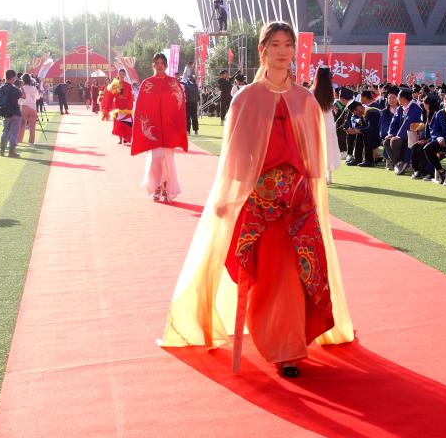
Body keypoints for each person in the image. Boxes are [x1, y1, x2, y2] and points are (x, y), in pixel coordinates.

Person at [159, 21, 353, 378]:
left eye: (288, 44)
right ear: (262, 49)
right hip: (261, 204)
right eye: (275, 44)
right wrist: (228, 199)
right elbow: (235, 157)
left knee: (300, 273)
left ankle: (290, 347)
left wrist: (311, 196)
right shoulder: (245, 99)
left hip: (298, 202)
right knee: (273, 274)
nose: (282, 51)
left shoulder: (305, 100)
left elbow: (313, 159)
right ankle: (283, 346)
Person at [131, 53, 187, 201]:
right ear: (153, 65)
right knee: (156, 158)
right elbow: (141, 107)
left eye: (162, 63)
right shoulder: (147, 83)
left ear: (166, 65)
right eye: (157, 63)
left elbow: (179, 106)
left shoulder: (173, 83)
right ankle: (157, 186)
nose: (160, 65)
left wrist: (177, 126)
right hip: (153, 129)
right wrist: (144, 127)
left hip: (169, 129)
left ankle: (166, 187)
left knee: (167, 160)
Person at [311, 67, 341, 182]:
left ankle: (321, 175)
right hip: (328, 123)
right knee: (329, 148)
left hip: (316, 123)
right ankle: (329, 176)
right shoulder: (330, 91)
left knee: (317, 149)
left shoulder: (312, 91)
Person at [102, 68, 135, 145]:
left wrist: (129, 106)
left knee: (127, 123)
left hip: (126, 107)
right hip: (118, 106)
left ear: (125, 75)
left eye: (123, 74)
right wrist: (107, 107)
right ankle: (120, 139)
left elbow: (130, 97)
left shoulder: (128, 85)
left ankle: (125, 138)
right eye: (120, 74)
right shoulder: (115, 85)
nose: (121, 75)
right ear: (118, 75)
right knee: (119, 123)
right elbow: (110, 97)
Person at [0, 69, 23, 158]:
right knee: (14, 133)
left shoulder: (1, 88)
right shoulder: (15, 89)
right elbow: (23, 96)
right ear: (13, 78)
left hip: (5, 112)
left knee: (5, 132)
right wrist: (21, 86)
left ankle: (2, 150)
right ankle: (12, 151)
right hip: (15, 112)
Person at [18, 73, 40, 145]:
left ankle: (19, 140)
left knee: (22, 126)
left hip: (24, 107)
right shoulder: (33, 88)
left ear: (23, 80)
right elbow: (38, 97)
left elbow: (19, 100)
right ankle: (31, 142)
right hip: (33, 107)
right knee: (32, 127)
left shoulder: (22, 88)